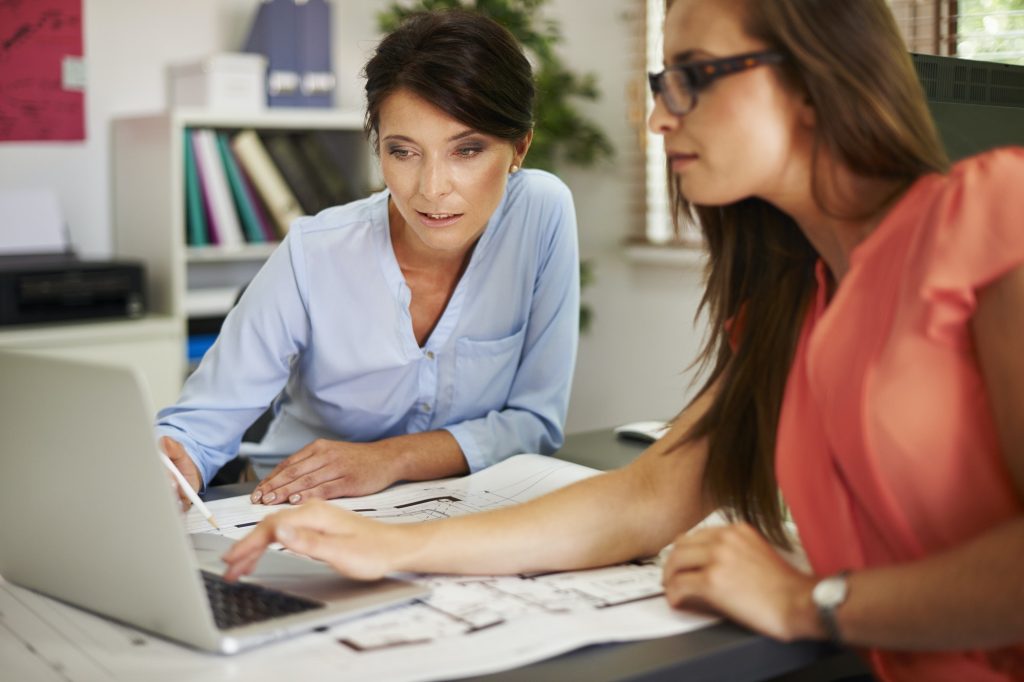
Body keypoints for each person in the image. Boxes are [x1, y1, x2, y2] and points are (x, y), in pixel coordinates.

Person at [221, 0, 1024, 679]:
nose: (656, 117)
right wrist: (389, 543)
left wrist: (808, 599)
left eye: (694, 76)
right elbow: (643, 500)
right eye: (660, 81)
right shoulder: (793, 304)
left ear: (814, 75)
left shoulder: (993, 218)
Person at [157, 10, 580, 508]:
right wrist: (176, 460)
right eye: (404, 152)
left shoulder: (541, 214)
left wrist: (391, 458)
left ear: (519, 148)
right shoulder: (315, 251)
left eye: (467, 150)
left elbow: (535, 422)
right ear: (379, 149)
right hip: (294, 507)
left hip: (458, 508)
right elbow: (200, 427)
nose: (432, 189)